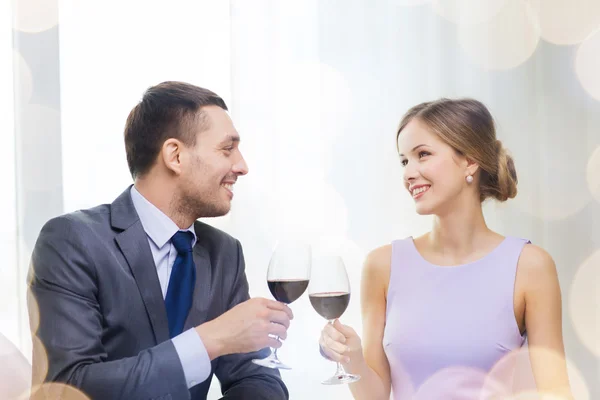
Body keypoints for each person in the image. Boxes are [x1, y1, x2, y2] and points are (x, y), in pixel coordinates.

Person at [28, 81, 291, 400]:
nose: (242, 166)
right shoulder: (72, 241)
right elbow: (66, 386)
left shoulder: (224, 252)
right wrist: (210, 340)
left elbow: (260, 378)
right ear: (175, 156)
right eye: (227, 148)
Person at [319, 98, 572, 399]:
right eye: (404, 161)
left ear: (470, 160)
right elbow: (374, 396)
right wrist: (351, 356)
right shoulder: (382, 266)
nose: (409, 173)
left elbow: (555, 392)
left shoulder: (529, 266)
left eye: (422, 155)